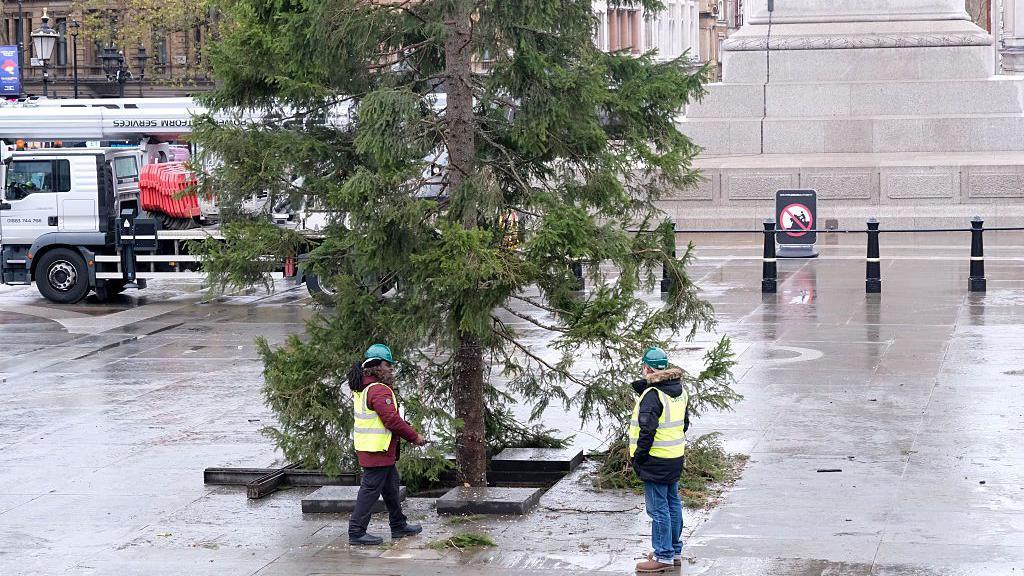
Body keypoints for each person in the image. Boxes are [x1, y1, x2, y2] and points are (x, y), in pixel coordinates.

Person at [347, 343, 428, 545]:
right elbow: (390, 420)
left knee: (391, 487)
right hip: (376, 449)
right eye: (387, 364)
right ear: (376, 366)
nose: (391, 368)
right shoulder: (378, 390)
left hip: (375, 448)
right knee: (369, 490)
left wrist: (407, 429)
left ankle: (398, 525)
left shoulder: (363, 386)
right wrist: (414, 436)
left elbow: (385, 417)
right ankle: (356, 532)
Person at [630, 347, 689, 573]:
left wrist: (639, 459)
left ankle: (662, 555)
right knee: (673, 503)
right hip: (674, 457)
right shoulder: (679, 391)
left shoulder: (652, 395)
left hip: (655, 460)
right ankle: (674, 551)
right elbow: (684, 423)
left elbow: (646, 431)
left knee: (658, 509)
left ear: (646, 367)